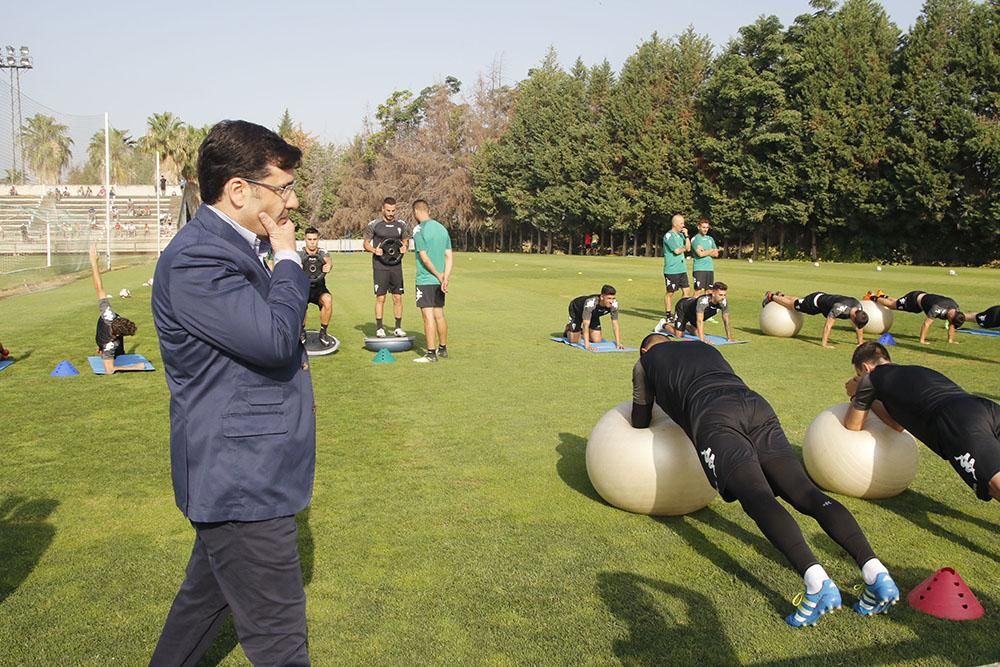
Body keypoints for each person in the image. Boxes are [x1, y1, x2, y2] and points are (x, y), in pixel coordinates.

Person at [149, 120, 314, 666]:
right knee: (280, 643)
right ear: (239, 189)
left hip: (243, 475)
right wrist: (289, 258)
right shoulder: (200, 257)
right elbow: (272, 340)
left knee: (198, 615)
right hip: (241, 479)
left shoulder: (233, 247)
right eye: (282, 187)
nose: (291, 199)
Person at [631, 335, 899, 626]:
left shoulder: (645, 362)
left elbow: (640, 418)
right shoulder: (702, 345)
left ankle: (817, 583)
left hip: (714, 416)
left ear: (646, 349)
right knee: (804, 491)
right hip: (754, 404)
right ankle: (876, 573)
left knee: (758, 498)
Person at [844, 342, 1000, 502]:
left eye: (859, 374)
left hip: (957, 421)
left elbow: (853, 426)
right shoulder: (912, 372)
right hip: (985, 407)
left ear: (865, 367)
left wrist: (857, 394)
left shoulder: (870, 379)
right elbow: (897, 425)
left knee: (994, 484)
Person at [88, 245, 144, 374]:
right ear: (119, 335)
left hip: (102, 328)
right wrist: (136, 367)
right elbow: (110, 370)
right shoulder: (111, 345)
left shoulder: (108, 314)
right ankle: (101, 350)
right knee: (118, 353)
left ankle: (100, 349)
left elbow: (99, 288)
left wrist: (93, 262)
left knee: (114, 350)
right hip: (103, 341)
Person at [411, 199, 453, 363]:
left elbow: (424, 257)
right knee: (439, 315)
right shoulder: (442, 229)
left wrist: (437, 274)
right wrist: (445, 277)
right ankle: (442, 348)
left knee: (428, 316)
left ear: (416, 211)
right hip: (440, 280)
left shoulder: (418, 229)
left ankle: (430, 354)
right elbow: (449, 256)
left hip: (426, 279)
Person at [363, 197, 410, 337]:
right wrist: (374, 250)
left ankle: (398, 327)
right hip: (380, 266)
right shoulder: (374, 225)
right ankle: (379, 328)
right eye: (388, 210)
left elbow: (406, 242)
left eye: (393, 211)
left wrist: (405, 248)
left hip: (396, 266)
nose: (391, 213)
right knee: (381, 298)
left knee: (397, 297)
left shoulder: (401, 225)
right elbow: (365, 244)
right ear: (383, 209)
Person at [763, 290, 868, 348]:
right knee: (794, 305)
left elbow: (859, 326)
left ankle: (782, 296)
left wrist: (860, 342)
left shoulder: (859, 308)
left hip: (823, 303)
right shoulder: (839, 308)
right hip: (815, 302)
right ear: (854, 317)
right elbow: (828, 326)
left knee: (799, 301)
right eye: (854, 322)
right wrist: (824, 344)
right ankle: (771, 297)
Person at [867, 290, 965, 344]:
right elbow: (926, 324)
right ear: (952, 315)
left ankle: (882, 295)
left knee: (897, 302)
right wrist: (922, 340)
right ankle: (872, 297)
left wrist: (950, 340)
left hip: (920, 304)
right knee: (892, 306)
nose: (950, 322)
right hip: (913, 300)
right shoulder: (937, 308)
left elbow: (952, 325)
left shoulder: (956, 309)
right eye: (950, 320)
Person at [657, 282, 734, 343]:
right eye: (720, 295)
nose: (723, 297)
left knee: (697, 333)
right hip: (683, 308)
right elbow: (699, 321)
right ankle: (663, 324)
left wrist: (729, 336)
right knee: (679, 335)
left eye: (724, 295)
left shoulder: (723, 302)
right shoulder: (703, 301)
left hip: (694, 315)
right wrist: (702, 340)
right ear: (713, 293)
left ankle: (682, 325)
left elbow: (726, 320)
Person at [299, 226, 334, 345]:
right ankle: (301, 331)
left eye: (314, 239)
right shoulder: (299, 254)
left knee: (328, 300)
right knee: (301, 303)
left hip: (319, 288)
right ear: (305, 239)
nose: (312, 242)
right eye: (310, 239)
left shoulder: (322, 252)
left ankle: (323, 332)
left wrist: (329, 265)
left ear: (318, 239)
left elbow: (328, 261)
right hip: (303, 287)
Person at [564, 285, 623, 350]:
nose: (611, 301)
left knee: (597, 340)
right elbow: (585, 324)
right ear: (602, 297)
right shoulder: (590, 303)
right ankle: (568, 328)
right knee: (574, 340)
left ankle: (580, 331)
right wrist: (587, 345)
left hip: (593, 315)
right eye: (609, 298)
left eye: (613, 298)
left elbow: (615, 324)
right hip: (577, 311)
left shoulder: (614, 304)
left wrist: (618, 343)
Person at [662, 214, 691, 314]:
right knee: (670, 292)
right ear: (675, 224)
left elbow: (689, 248)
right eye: (681, 223)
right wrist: (685, 249)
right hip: (672, 269)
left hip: (682, 268)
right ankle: (668, 313)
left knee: (686, 291)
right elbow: (677, 251)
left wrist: (686, 236)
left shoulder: (681, 235)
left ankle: (680, 312)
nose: (683, 225)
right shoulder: (668, 235)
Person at [690, 218, 719, 295]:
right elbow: (700, 254)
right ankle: (693, 307)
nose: (705, 229)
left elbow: (716, 253)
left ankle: (705, 307)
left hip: (709, 268)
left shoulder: (710, 239)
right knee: (698, 291)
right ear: (698, 227)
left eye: (707, 227)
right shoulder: (695, 239)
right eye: (703, 227)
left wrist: (705, 251)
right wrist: (710, 250)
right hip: (699, 268)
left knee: (709, 291)